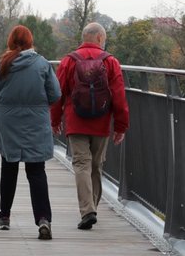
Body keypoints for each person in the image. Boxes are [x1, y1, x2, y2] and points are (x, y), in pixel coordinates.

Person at [51, 22, 129, 230]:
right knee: (96, 165)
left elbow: (58, 94)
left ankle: (88, 210)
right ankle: (92, 207)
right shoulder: (110, 62)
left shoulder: (69, 61)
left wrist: (55, 120)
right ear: (100, 38)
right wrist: (121, 126)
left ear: (84, 38)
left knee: (81, 164)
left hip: (76, 121)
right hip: (101, 122)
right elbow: (119, 97)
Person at [0, 25, 61, 240]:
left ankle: (4, 217)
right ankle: (43, 219)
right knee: (36, 171)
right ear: (30, 42)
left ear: (10, 41)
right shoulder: (42, 64)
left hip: (8, 122)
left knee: (8, 168)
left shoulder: (1, 64)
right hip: (35, 123)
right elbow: (55, 94)